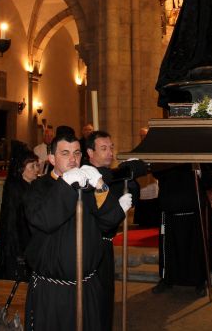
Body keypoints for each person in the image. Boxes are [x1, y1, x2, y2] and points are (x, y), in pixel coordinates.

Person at [23, 134, 130, 331]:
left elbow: (109, 222)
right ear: (52, 159)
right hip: (53, 291)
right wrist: (65, 186)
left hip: (87, 284)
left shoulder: (86, 185)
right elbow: (45, 220)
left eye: (77, 153)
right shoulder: (39, 187)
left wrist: (100, 186)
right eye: (65, 153)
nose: (73, 159)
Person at [85, 130, 141, 331]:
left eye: (111, 148)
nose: (110, 152)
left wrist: (130, 177)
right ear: (90, 152)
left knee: (106, 295)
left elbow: (130, 196)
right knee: (94, 296)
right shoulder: (86, 176)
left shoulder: (111, 175)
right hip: (90, 246)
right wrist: (123, 172)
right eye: (103, 148)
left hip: (106, 245)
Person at [152, 163, 212, 297]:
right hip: (170, 211)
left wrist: (199, 169)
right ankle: (167, 279)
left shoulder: (196, 160)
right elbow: (156, 172)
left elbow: (210, 181)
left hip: (194, 212)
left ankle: (199, 281)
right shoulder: (166, 159)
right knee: (169, 250)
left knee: (196, 249)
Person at [0, 144, 40, 281]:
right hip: (18, 247)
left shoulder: (32, 186)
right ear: (21, 169)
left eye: (36, 165)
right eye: (32, 166)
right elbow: (12, 223)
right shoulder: (15, 189)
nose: (36, 170)